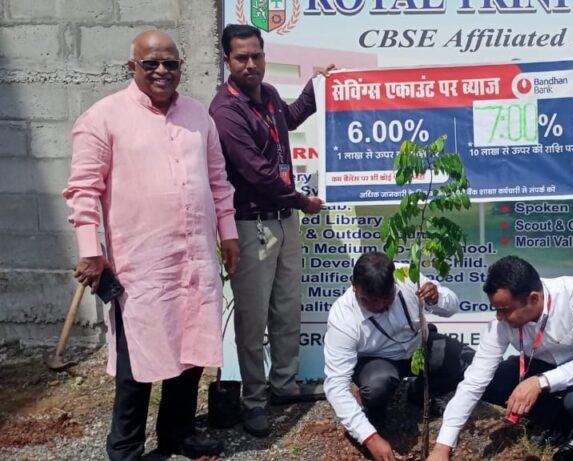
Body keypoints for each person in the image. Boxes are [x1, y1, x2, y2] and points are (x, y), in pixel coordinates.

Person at [64, 30, 238, 460]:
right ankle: (125, 447)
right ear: (132, 67)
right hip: (141, 266)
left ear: (181, 67)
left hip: (195, 261)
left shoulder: (199, 117)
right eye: (151, 64)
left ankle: (178, 433)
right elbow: (83, 190)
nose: (162, 71)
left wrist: (228, 234)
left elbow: (219, 182)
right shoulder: (102, 118)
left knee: (192, 350)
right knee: (137, 362)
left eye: (171, 64)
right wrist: (90, 249)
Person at [209, 24, 334, 437]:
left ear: (264, 55)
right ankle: (254, 400)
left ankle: (283, 385)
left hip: (283, 221)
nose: (250, 64)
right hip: (251, 226)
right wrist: (302, 201)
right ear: (227, 60)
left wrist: (318, 86)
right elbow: (258, 174)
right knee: (252, 320)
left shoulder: (269, 97)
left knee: (286, 308)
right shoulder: (226, 111)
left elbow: (293, 116)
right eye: (241, 57)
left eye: (256, 56)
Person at [427, 256, 573, 461]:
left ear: (533, 299)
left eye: (505, 310)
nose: (499, 317)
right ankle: (560, 425)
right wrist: (442, 447)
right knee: (492, 382)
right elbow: (474, 381)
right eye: (496, 309)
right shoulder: (501, 323)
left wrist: (538, 382)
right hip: (545, 363)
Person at [323, 252, 469, 461]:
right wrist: (370, 438)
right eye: (369, 301)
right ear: (354, 285)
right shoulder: (343, 316)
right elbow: (336, 385)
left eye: (386, 299)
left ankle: (418, 394)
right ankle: (374, 413)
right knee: (376, 385)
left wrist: (438, 298)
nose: (379, 306)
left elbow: (452, 307)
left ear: (394, 284)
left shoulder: (407, 276)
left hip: (418, 348)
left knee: (463, 360)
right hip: (377, 361)